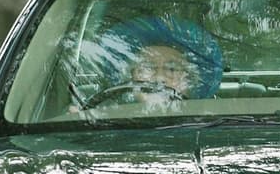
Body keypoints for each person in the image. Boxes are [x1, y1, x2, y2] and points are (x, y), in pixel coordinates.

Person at [91, 15, 223, 108]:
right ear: (129, 76)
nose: (159, 78)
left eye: (172, 69)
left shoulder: (210, 125)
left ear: (191, 81)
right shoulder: (102, 118)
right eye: (148, 67)